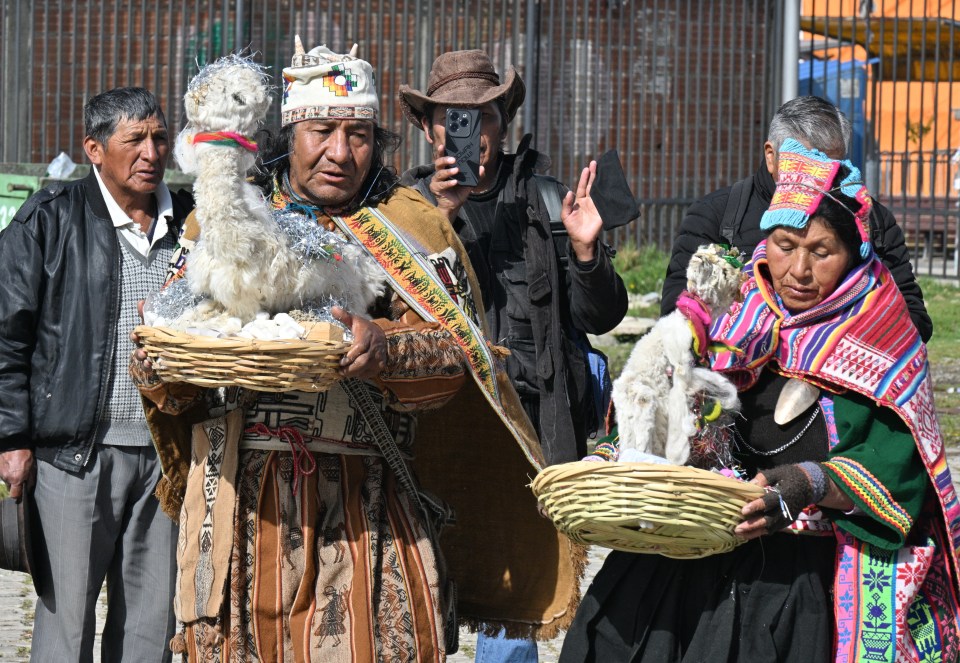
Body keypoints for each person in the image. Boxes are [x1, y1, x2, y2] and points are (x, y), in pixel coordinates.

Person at [133, 42, 584, 661]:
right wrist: (162, 352)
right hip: (241, 502)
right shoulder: (223, 221)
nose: (340, 153)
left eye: (360, 134)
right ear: (290, 133)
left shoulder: (410, 222)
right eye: (322, 131)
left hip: (367, 504)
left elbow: (459, 356)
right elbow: (166, 362)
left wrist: (385, 349)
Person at [560, 141, 960, 662]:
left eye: (821, 252)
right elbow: (661, 399)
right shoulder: (729, 310)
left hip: (801, 574)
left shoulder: (882, 336)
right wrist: (614, 455)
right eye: (785, 244)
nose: (797, 269)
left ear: (854, 253)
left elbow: (898, 466)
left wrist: (805, 483)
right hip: (694, 547)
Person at [0, 87, 193, 661]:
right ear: (93, 149)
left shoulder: (193, 226)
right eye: (134, 139)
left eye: (159, 138)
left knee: (152, 627)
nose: (151, 152)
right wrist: (11, 438)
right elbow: (7, 334)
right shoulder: (50, 219)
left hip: (167, 457)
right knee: (67, 627)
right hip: (73, 457)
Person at [399, 49, 629, 467]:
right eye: (451, 118)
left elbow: (601, 320)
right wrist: (439, 219)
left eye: (481, 115)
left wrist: (586, 252)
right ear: (428, 130)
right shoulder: (403, 212)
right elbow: (393, 313)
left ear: (504, 123)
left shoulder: (548, 202)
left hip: (545, 430)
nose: (468, 132)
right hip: (447, 427)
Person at [661, 95, 933, 342]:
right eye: (802, 164)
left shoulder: (871, 221)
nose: (815, 180)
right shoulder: (717, 216)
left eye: (829, 168)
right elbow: (679, 311)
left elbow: (913, 318)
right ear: (772, 156)